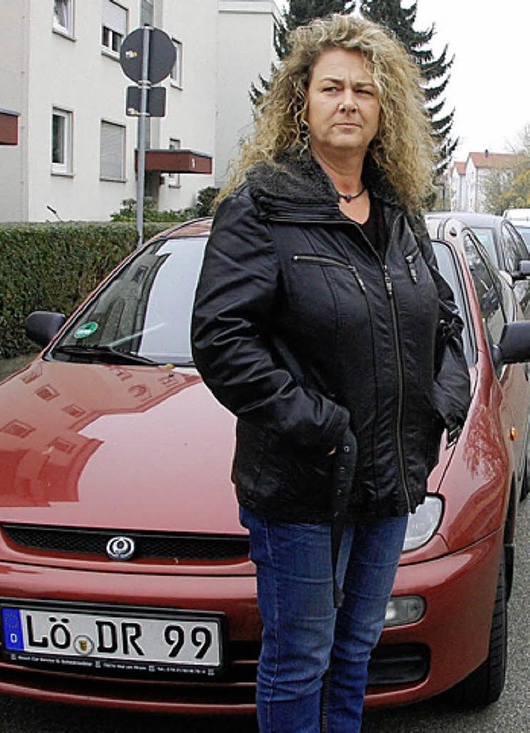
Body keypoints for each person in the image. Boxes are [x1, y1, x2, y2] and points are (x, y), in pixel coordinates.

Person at [191, 14, 471, 733]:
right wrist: (321, 426)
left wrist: (440, 401)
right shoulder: (262, 204)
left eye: (365, 91)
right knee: (301, 654)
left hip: (388, 480)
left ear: (385, 110)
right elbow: (222, 338)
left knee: (356, 648)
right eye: (332, 88)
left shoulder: (401, 213)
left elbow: (444, 323)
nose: (348, 101)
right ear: (302, 102)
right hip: (302, 482)